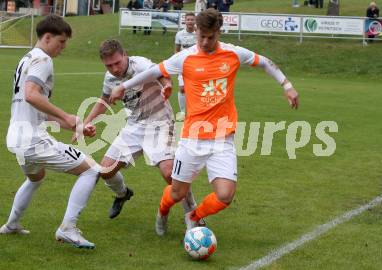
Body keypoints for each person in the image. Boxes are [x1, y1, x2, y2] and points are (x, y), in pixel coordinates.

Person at [109, 9, 299, 236]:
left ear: (219, 32)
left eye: (211, 37)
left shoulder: (233, 54)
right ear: (196, 32)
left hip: (223, 139)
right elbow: (153, 72)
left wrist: (286, 85)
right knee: (177, 193)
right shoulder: (185, 57)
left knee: (225, 195)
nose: (206, 42)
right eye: (202, 37)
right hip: (192, 139)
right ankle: (162, 210)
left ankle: (194, 216)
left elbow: (265, 62)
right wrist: (123, 86)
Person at [0, 15, 99, 249]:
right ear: (47, 37)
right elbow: (31, 94)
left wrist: (75, 125)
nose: (63, 48)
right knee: (92, 170)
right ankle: (68, 228)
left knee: (35, 178)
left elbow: (36, 108)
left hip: (16, 137)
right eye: (61, 42)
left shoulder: (26, 59)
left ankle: (12, 224)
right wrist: (66, 116)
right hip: (32, 139)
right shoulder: (43, 59)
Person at [79, 39, 203, 223]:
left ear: (125, 55)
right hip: (134, 126)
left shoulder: (140, 64)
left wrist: (167, 85)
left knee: (170, 174)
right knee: (106, 170)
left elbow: (161, 73)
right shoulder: (110, 78)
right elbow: (104, 100)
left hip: (160, 123)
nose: (114, 69)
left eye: (117, 63)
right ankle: (122, 194)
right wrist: (84, 124)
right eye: (109, 65)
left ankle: (193, 215)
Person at [174, 12, 196, 121]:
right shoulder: (179, 34)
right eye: (188, 19)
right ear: (185, 21)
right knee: (182, 89)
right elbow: (177, 50)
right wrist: (175, 62)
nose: (190, 21)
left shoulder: (199, 34)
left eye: (192, 19)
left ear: (195, 21)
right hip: (183, 65)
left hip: (197, 65)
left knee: (196, 88)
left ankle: (196, 112)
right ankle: (182, 112)